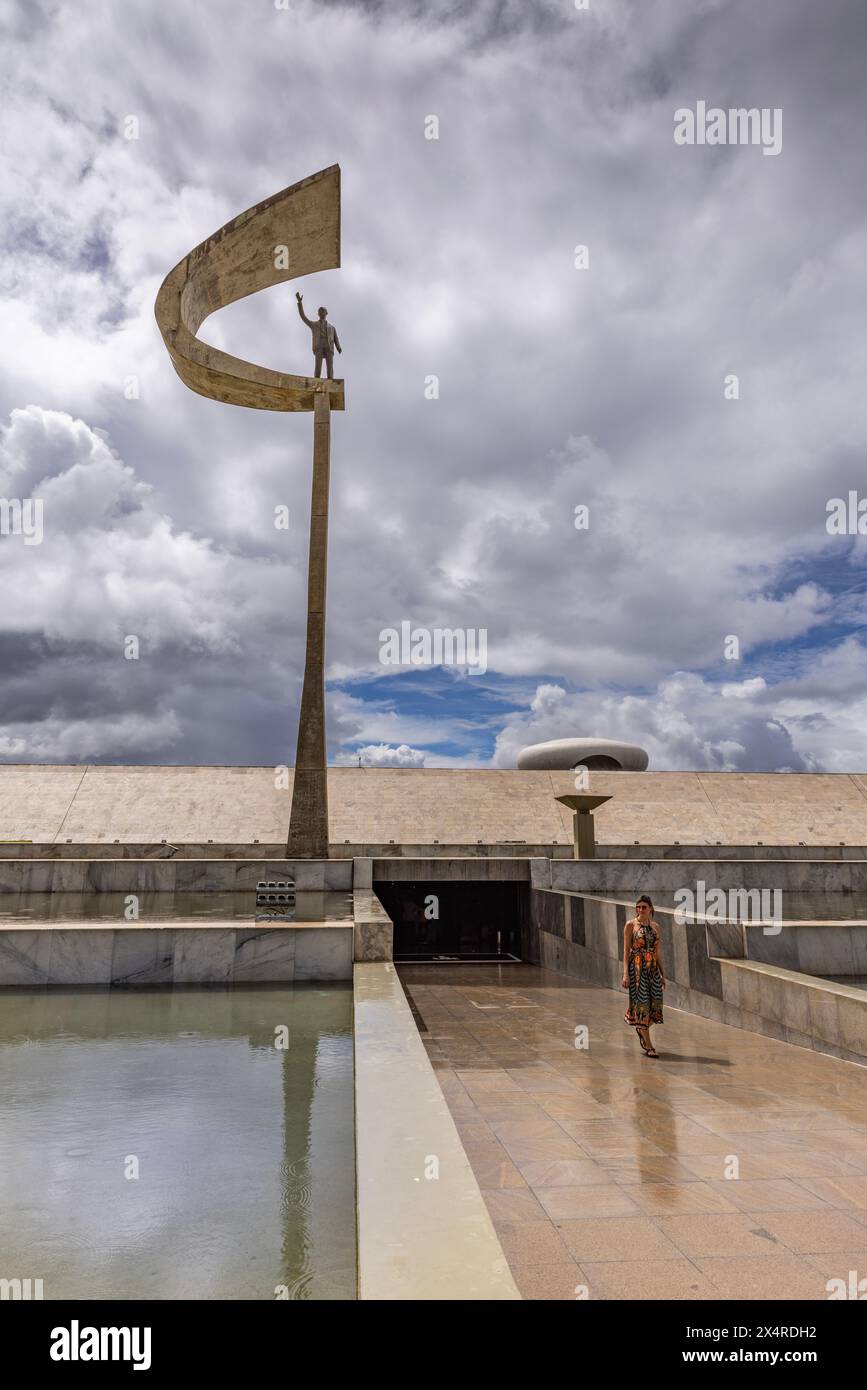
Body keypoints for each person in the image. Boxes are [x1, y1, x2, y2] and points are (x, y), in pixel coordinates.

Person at [622, 894, 665, 1057]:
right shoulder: (630, 925)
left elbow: (658, 952)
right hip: (637, 970)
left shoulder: (655, 927)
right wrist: (625, 974)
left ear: (651, 908)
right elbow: (626, 951)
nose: (640, 910)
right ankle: (649, 1046)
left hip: (652, 970)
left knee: (656, 1005)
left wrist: (663, 974)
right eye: (638, 907)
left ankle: (641, 1027)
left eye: (644, 907)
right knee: (643, 1005)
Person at [295, 292, 342, 379]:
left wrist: (338, 347)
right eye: (319, 311)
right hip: (319, 346)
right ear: (318, 314)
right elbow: (303, 317)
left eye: (323, 311)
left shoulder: (332, 327)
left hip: (329, 347)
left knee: (330, 366)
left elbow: (336, 339)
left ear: (326, 313)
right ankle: (317, 380)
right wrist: (300, 303)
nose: (321, 312)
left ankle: (330, 380)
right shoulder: (314, 325)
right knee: (318, 366)